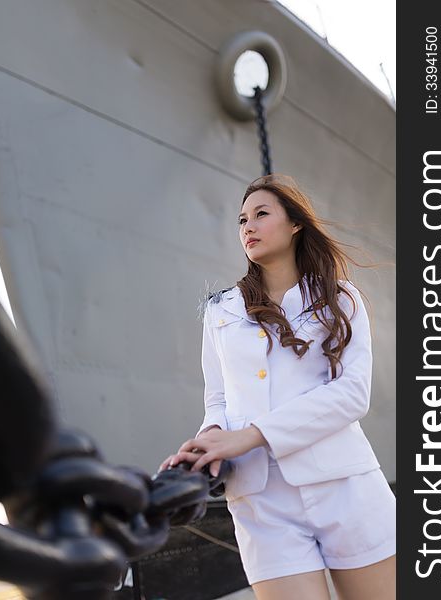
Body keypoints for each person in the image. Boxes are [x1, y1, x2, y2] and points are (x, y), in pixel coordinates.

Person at [158, 174, 396, 600]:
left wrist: (248, 437)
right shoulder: (220, 311)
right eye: (241, 219)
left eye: (261, 214)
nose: (248, 226)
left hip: (347, 487)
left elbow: (352, 394)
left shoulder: (341, 299)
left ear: (295, 225)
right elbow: (218, 398)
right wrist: (210, 438)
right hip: (260, 501)